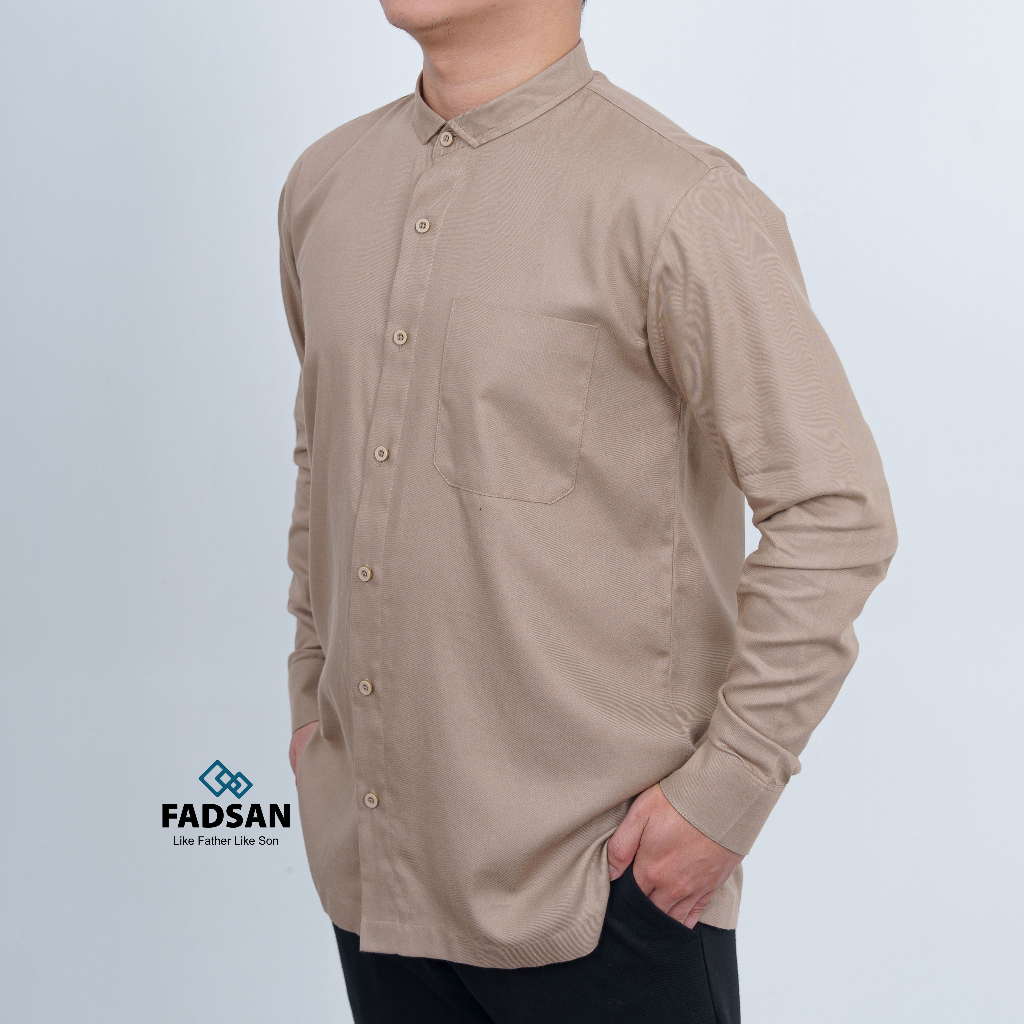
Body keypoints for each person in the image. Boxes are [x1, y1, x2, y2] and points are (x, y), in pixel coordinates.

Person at [278, 1, 897, 1020]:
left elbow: (836, 512)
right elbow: (325, 465)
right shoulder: (324, 185)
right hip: (374, 878)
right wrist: (313, 703)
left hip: (605, 889)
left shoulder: (676, 201)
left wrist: (724, 795)